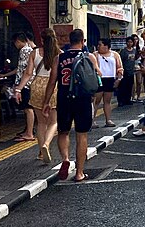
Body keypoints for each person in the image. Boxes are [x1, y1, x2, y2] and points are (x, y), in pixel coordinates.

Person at [43, 29, 100, 182]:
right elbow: (97, 76)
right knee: (82, 135)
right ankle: (79, 172)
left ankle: (66, 159)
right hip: (83, 99)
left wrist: (46, 102)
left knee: (63, 132)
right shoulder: (90, 57)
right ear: (83, 41)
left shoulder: (59, 58)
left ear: (70, 41)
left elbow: (52, 81)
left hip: (64, 99)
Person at [15, 28, 60, 163]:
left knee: (41, 123)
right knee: (53, 122)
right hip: (53, 87)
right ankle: (46, 143)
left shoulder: (34, 53)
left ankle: (41, 151)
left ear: (41, 40)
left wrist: (18, 89)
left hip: (37, 86)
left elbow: (28, 73)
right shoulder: (59, 53)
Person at [12, 32, 35, 142]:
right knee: (28, 108)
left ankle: (29, 133)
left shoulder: (24, 51)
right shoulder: (30, 50)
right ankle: (28, 131)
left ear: (18, 41)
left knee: (28, 108)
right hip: (29, 83)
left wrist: (18, 87)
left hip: (26, 84)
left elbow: (23, 70)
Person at [93, 38, 122, 127]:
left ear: (106, 46)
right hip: (99, 79)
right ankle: (92, 120)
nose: (98, 46)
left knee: (107, 100)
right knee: (96, 101)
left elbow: (119, 67)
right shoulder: (95, 55)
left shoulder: (115, 55)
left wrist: (119, 79)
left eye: (100, 45)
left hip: (110, 79)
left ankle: (108, 120)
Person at [118, 37, 137, 107]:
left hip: (131, 71)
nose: (130, 43)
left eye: (131, 42)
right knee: (123, 86)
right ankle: (121, 100)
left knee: (129, 86)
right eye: (128, 42)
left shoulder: (134, 51)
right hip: (125, 71)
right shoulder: (123, 51)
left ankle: (127, 99)